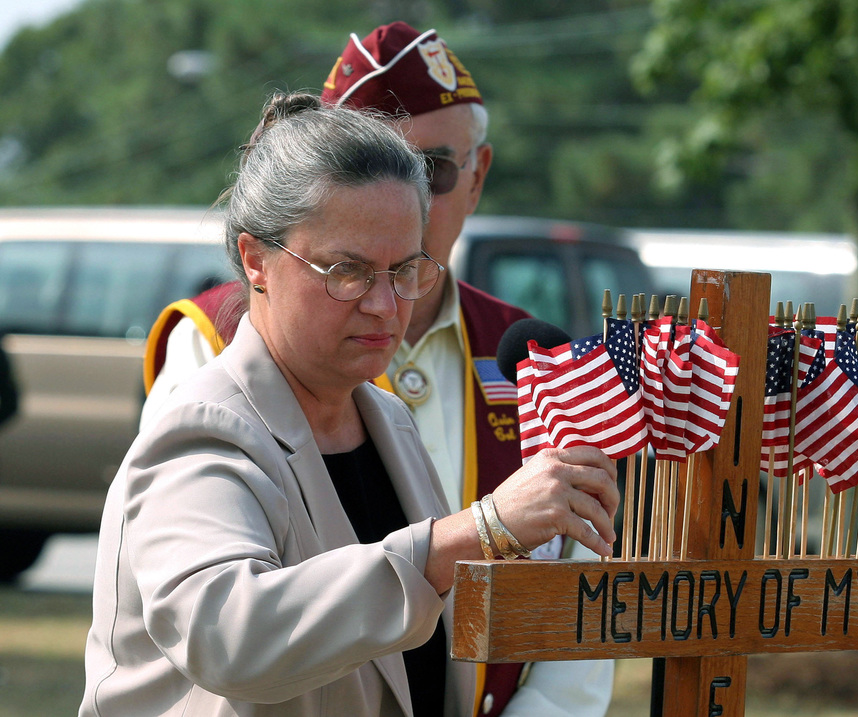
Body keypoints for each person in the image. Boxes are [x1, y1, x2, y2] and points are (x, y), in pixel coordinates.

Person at [80, 93, 618, 717]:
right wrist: (479, 531)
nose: (386, 306)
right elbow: (229, 638)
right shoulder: (205, 426)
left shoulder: (384, 418)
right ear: (256, 261)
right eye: (346, 270)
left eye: (407, 270)